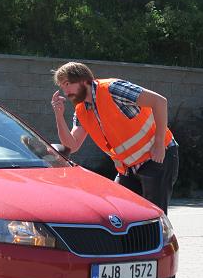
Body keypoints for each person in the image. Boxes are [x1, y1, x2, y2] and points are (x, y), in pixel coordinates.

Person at [50, 62, 179, 214]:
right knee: (119, 212)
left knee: (153, 215)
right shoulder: (81, 110)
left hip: (156, 156)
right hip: (127, 168)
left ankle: (159, 238)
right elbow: (72, 145)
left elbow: (159, 101)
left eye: (67, 84)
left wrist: (158, 143)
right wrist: (59, 116)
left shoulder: (113, 89)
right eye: (62, 86)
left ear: (84, 80)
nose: (65, 91)